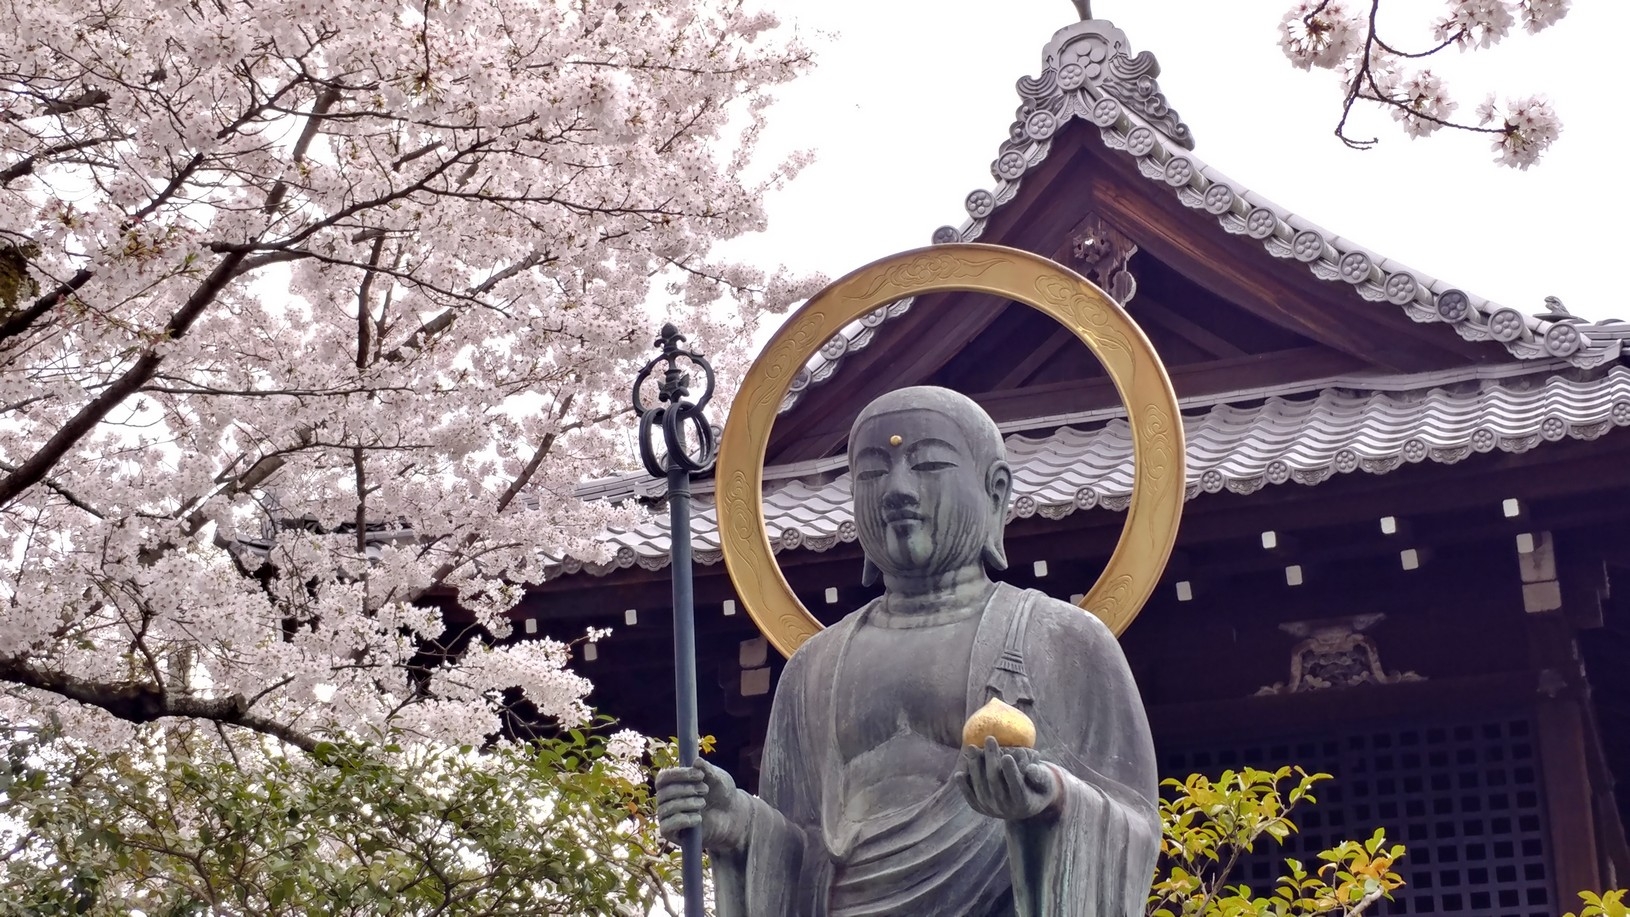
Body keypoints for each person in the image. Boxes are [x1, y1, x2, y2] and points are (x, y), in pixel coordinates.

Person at [656, 386, 1160, 916]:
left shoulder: (1063, 638)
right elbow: (802, 847)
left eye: (928, 464)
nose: (896, 490)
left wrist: (1051, 800)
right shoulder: (813, 668)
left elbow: (1136, 826)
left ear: (996, 492)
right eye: (872, 472)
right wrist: (740, 825)